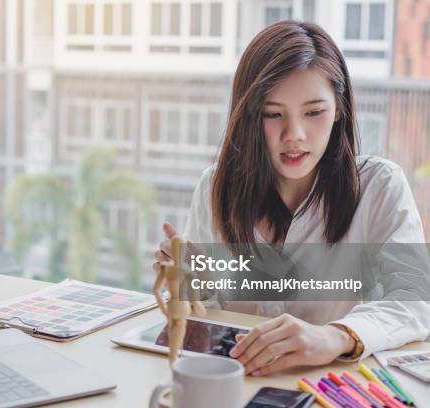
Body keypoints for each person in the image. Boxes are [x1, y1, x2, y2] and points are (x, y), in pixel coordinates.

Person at [153, 21, 430, 377]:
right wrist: (193, 283)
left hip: (330, 388)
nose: (294, 135)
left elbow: (416, 301)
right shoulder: (214, 186)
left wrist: (336, 337)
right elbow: (205, 320)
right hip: (239, 388)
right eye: (273, 114)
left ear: (339, 109)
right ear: (249, 114)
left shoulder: (379, 185)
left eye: (314, 112)